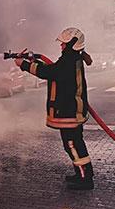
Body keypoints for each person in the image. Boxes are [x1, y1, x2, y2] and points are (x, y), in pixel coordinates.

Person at [15, 27, 94, 190]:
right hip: (72, 111)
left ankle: (85, 180)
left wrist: (23, 64)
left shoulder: (69, 60)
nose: (61, 46)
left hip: (70, 113)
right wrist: (31, 59)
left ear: (72, 44)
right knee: (74, 144)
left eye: (63, 43)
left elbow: (48, 72)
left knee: (72, 144)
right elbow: (53, 69)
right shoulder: (72, 59)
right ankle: (82, 174)